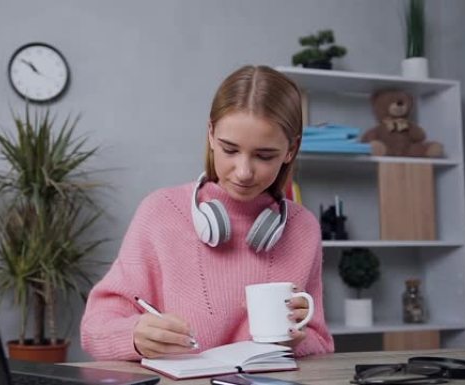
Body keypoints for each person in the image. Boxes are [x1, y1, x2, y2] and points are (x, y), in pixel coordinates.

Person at [80, 65, 334, 360]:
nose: (243, 172)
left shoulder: (302, 227)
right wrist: (134, 336)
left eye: (264, 156)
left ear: (291, 150)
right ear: (211, 134)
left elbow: (320, 341)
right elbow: (94, 329)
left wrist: (293, 342)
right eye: (230, 149)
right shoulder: (160, 212)